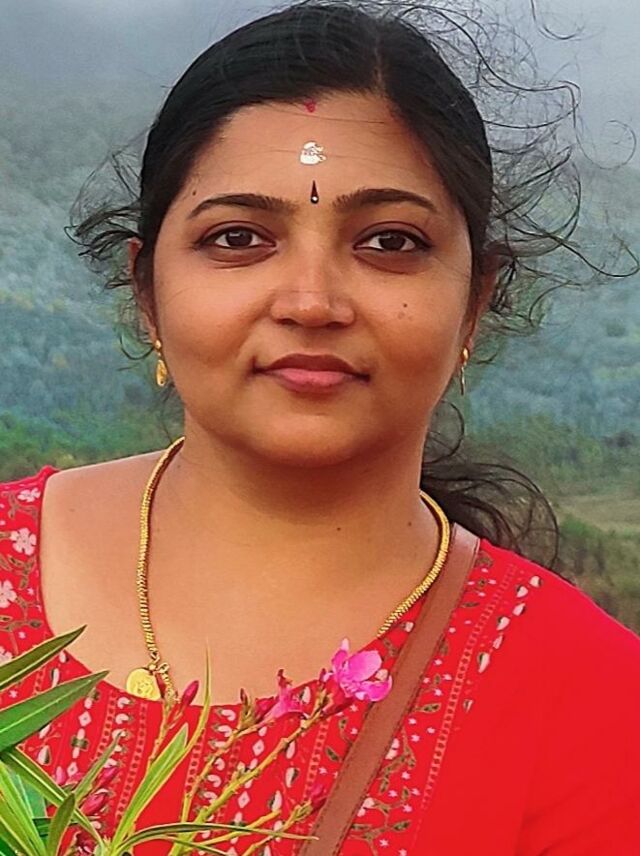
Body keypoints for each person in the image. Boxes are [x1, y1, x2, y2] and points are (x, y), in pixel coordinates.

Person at [1, 1, 639, 853]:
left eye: (389, 242)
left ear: (476, 301)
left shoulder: (595, 707)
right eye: (238, 237)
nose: (311, 302)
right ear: (147, 291)